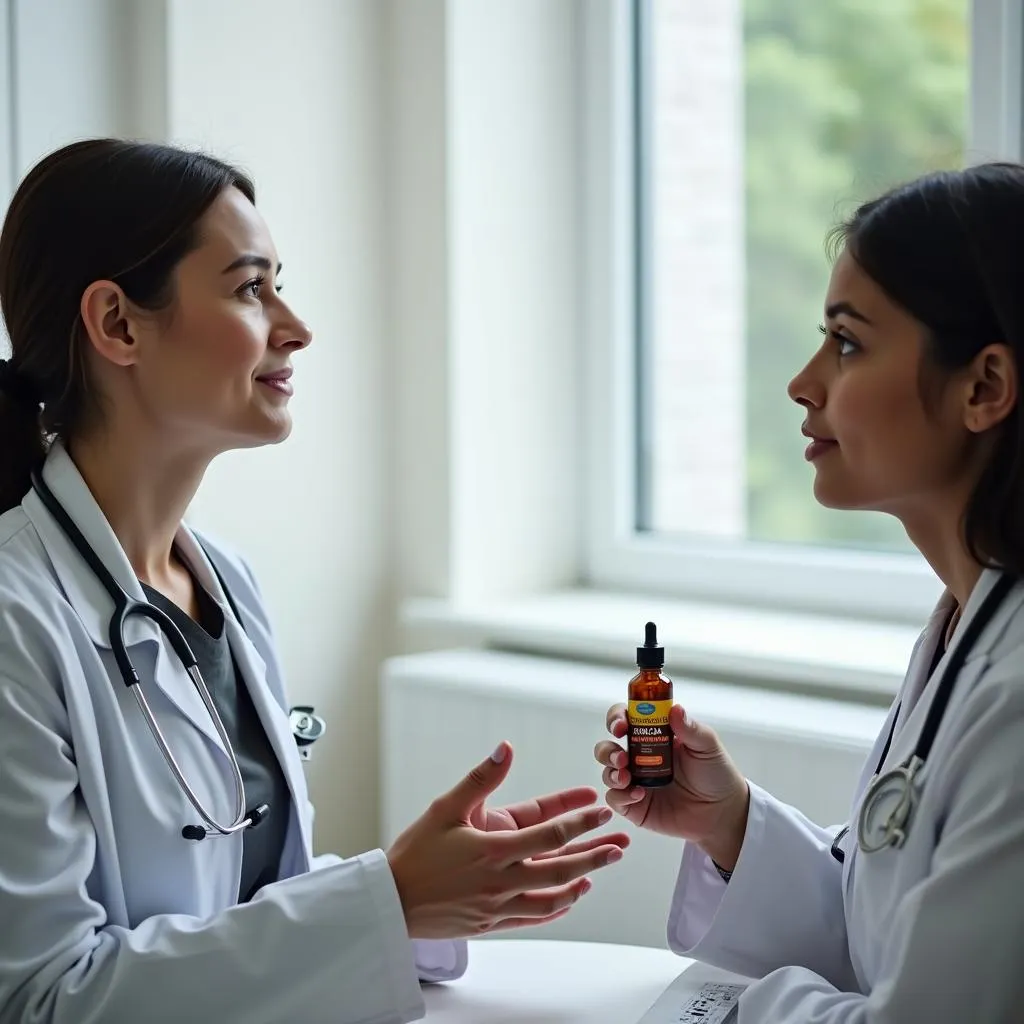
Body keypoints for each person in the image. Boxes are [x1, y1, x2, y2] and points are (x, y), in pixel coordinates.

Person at [0, 138, 630, 1024]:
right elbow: (40, 1001)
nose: (295, 326)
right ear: (117, 324)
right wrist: (390, 900)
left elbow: (243, 909)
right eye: (250, 287)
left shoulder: (223, 583)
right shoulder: (15, 617)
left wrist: (419, 891)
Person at [596, 162, 1024, 1021]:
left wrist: (736, 1011)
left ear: (983, 387)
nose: (804, 382)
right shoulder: (968, 629)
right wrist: (732, 824)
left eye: (849, 343)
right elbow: (892, 932)